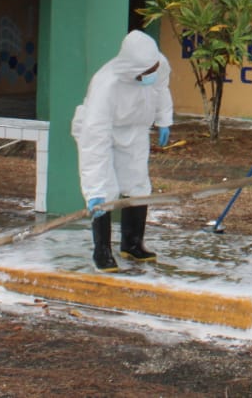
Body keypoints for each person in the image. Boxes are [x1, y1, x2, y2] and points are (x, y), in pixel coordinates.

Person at [71, 30, 174, 272]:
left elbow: (161, 89)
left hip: (136, 129)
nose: (152, 74)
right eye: (146, 72)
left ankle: (132, 243)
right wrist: (94, 188)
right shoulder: (106, 84)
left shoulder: (157, 65)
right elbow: (94, 142)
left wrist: (164, 119)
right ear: (131, 69)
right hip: (101, 132)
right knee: (105, 192)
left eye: (153, 69)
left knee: (137, 185)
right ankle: (102, 250)